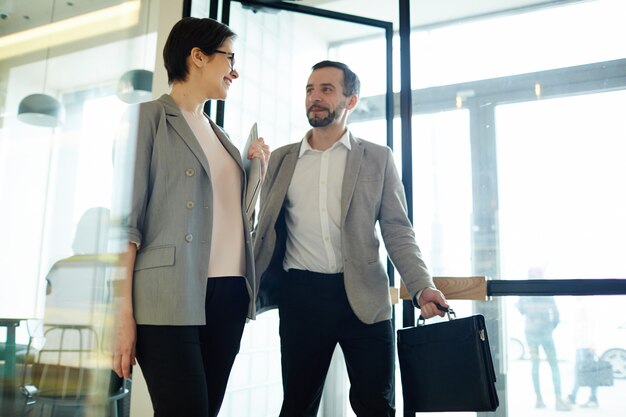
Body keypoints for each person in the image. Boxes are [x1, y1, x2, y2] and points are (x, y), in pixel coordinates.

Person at [253, 60, 448, 417]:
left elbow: (397, 229)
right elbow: (260, 227)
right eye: (310, 90)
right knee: (297, 405)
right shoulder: (281, 160)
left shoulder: (377, 158)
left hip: (364, 298)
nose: (315, 97)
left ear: (351, 100)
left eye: (327, 89)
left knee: (376, 406)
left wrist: (422, 286)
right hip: (302, 298)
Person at [111, 17, 270, 417]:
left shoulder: (223, 137)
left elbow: (230, 220)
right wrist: (121, 316)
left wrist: (257, 172)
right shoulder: (145, 119)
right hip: (168, 295)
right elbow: (124, 227)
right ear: (197, 57)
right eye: (229, 58)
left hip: (229, 294)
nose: (235, 71)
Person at [517, 267, 571, 411]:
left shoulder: (524, 292)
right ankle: (558, 399)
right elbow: (556, 314)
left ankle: (539, 399)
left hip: (530, 332)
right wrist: (549, 327)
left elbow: (521, 310)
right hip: (545, 332)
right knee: (553, 365)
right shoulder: (546, 290)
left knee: (535, 365)